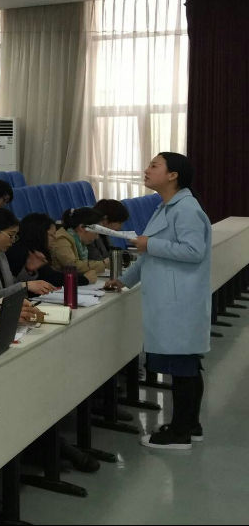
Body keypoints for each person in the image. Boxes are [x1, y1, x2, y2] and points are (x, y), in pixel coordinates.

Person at [108, 153, 211, 450]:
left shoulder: (187, 209)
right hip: (171, 299)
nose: (147, 169)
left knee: (183, 366)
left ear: (172, 175)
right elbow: (149, 254)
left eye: (155, 166)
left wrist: (150, 243)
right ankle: (190, 425)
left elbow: (193, 251)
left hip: (180, 301)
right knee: (184, 364)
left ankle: (180, 433)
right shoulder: (165, 206)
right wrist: (124, 280)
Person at [0, 208, 56, 299]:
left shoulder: (1, 255)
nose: (13, 241)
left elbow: (11, 287)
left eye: (15, 236)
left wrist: (28, 270)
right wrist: (26, 285)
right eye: (10, 235)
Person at [6, 213, 68, 288]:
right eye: (51, 235)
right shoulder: (23, 252)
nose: (55, 238)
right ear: (39, 234)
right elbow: (53, 278)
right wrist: (81, 278)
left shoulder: (28, 248)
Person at [52, 207, 108, 283]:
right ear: (82, 227)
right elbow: (73, 266)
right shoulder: (62, 239)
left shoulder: (79, 241)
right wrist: (103, 264)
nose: (97, 237)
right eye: (96, 233)